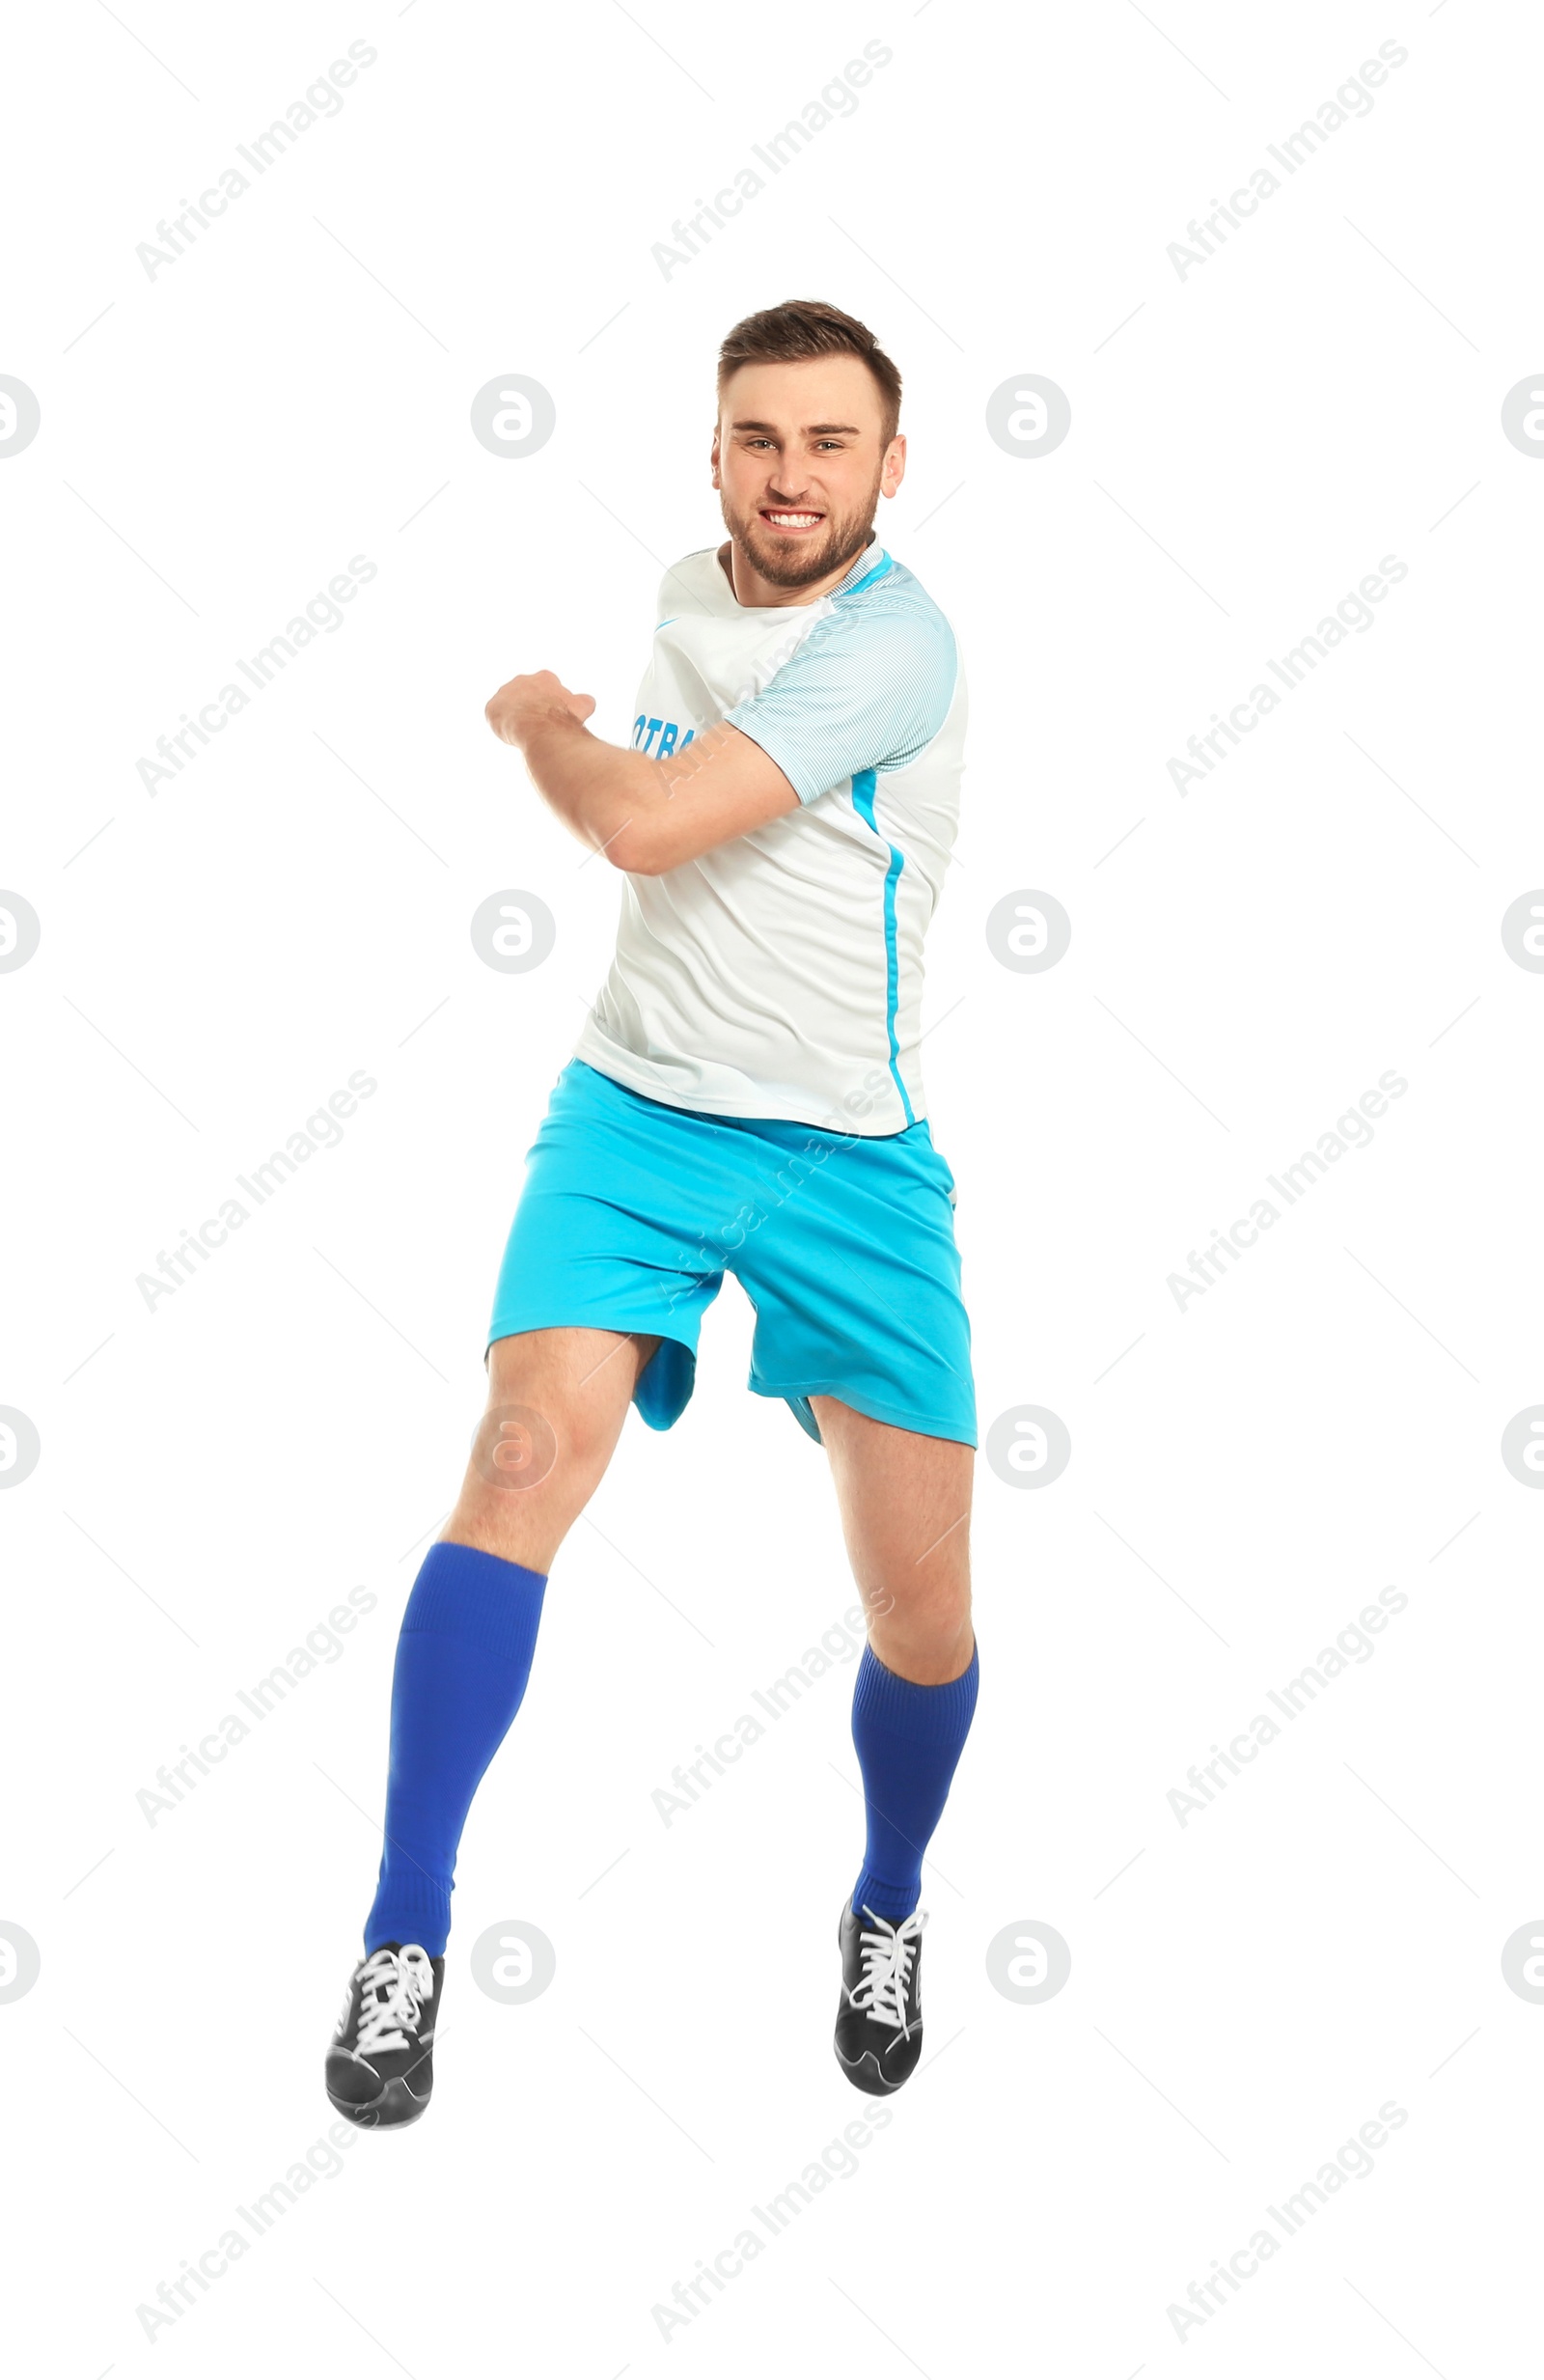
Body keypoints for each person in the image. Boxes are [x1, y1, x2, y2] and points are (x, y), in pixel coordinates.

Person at [325, 297, 979, 2128]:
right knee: (522, 1458)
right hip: (633, 1115)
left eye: (829, 444)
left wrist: (541, 720)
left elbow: (640, 827)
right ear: (713, 451)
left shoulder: (900, 647)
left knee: (920, 1613)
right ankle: (403, 1935)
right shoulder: (687, 589)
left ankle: (890, 1898)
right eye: (758, 438)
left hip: (853, 1157)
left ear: (890, 467)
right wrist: (605, 743)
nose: (790, 477)